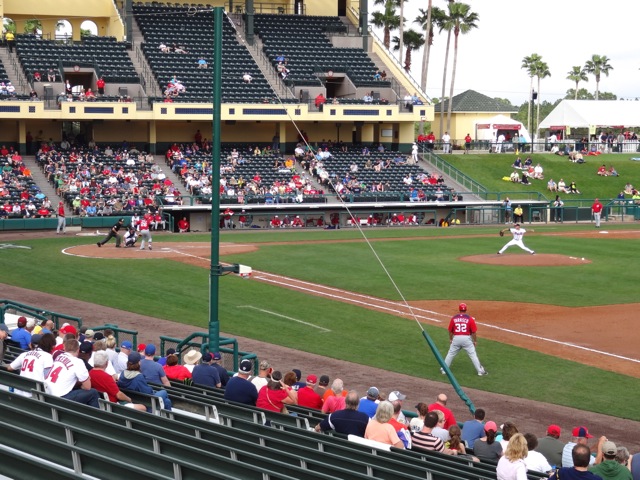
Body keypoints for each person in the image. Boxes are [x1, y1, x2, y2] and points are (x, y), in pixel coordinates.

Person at [44, 338, 100, 407]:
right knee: (93, 393)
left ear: (65, 348)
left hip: (48, 395)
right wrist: (81, 384)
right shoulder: (77, 361)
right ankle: (96, 417)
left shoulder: (59, 357)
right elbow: (87, 387)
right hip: (60, 398)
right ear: (78, 350)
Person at [442, 303, 487, 376]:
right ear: (466, 309)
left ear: (459, 309)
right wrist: (475, 341)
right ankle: (480, 371)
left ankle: (444, 369)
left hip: (456, 338)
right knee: (473, 355)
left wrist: (451, 339)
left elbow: (450, 331)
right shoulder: (470, 319)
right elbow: (473, 332)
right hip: (466, 339)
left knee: (450, 354)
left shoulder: (454, 318)